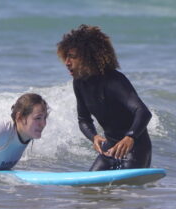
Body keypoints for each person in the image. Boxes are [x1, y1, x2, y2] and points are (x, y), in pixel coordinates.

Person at [57, 24, 152, 171]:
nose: (67, 62)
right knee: (87, 190)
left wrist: (130, 138)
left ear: (88, 57)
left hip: (134, 150)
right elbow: (83, 119)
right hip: (109, 150)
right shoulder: (79, 83)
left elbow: (143, 111)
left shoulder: (114, 81)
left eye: (73, 57)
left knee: (124, 192)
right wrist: (93, 137)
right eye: (66, 56)